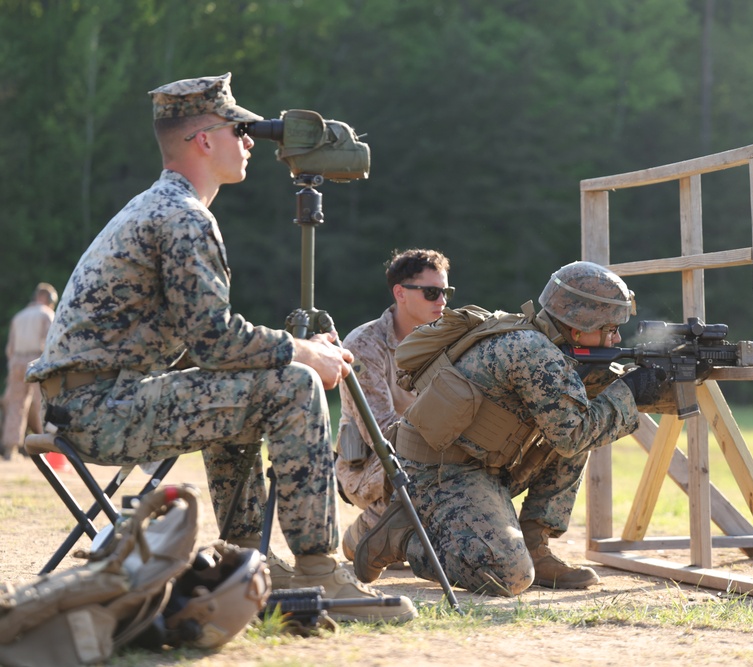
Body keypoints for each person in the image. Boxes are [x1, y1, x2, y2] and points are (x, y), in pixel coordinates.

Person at [25, 73, 415, 623]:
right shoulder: (183, 218)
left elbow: (212, 350)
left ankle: (247, 560)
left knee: (246, 390)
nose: (251, 141)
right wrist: (303, 354)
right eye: (239, 129)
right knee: (292, 384)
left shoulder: (159, 206)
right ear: (204, 140)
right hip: (103, 410)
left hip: (89, 403)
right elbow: (217, 342)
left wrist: (293, 346)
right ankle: (318, 572)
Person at [353, 261, 669, 596]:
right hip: (439, 472)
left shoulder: (544, 341)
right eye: (609, 328)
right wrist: (629, 392)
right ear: (578, 328)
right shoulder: (534, 353)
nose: (616, 337)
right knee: (509, 575)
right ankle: (406, 540)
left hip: (481, 463)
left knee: (582, 420)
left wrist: (639, 384)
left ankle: (535, 544)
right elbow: (573, 433)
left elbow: (575, 418)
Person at [336, 248, 452, 561]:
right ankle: (365, 534)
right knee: (422, 458)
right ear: (400, 293)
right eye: (431, 293)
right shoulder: (363, 345)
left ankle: (401, 539)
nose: (441, 301)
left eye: (445, 292)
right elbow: (381, 431)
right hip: (371, 466)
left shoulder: (447, 341)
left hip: (424, 453)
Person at [2, 283, 58, 460]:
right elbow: (52, 341)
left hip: (16, 361)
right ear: (46, 299)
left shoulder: (19, 316)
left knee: (15, 405)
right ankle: (47, 447)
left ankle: (11, 449)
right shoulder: (46, 314)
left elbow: (9, 348)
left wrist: (13, 364)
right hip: (36, 359)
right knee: (43, 402)